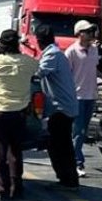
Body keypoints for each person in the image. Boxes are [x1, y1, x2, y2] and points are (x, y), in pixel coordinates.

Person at [0, 29, 39, 200]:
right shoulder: (29, 63)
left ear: (1, 45)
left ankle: (1, 189)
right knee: (15, 152)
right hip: (19, 112)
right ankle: (16, 187)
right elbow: (37, 67)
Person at [36, 24, 80, 188]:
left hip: (61, 108)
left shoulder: (52, 55)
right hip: (62, 106)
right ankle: (66, 178)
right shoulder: (55, 53)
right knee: (59, 144)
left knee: (60, 145)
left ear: (39, 41)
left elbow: (38, 73)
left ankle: (69, 179)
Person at [64, 19, 100, 177]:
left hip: (90, 95)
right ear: (79, 33)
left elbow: (93, 68)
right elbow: (66, 74)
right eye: (88, 31)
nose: (91, 34)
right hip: (77, 96)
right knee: (78, 131)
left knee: (83, 131)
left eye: (92, 31)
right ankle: (76, 162)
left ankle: (74, 160)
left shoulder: (94, 50)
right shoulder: (71, 52)